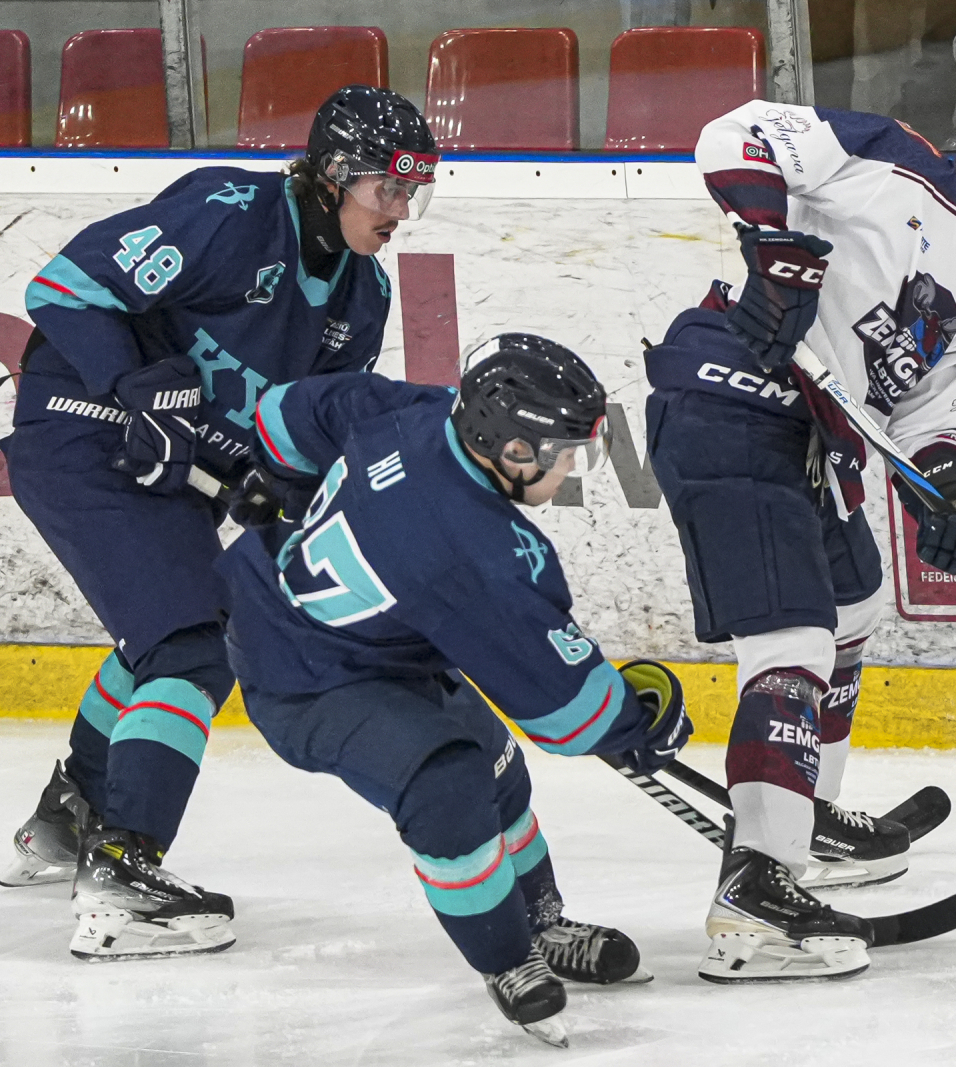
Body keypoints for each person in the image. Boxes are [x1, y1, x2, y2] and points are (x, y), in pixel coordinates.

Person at [644, 99, 956, 981]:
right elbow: (731, 136)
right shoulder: (887, 160)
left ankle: (803, 814)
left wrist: (952, 486)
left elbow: (939, 406)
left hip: (816, 436)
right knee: (793, 637)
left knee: (854, 602)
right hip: (731, 394)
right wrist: (771, 243)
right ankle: (755, 894)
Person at [0, 84, 439, 961]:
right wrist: (134, 381)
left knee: (181, 629)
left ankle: (70, 814)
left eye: (413, 191)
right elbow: (63, 288)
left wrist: (289, 498)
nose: (400, 210)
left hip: (177, 466)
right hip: (87, 434)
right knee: (194, 645)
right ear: (332, 175)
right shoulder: (230, 212)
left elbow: (301, 429)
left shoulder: (361, 297)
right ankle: (123, 868)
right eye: (387, 187)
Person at [216, 335, 691, 1046]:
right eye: (564, 452)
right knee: (448, 783)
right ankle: (508, 958)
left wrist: (283, 483)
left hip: (360, 639)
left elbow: (285, 413)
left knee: (499, 768)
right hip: (302, 675)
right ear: (515, 450)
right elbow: (571, 717)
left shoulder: (425, 414)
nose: (570, 468)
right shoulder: (482, 555)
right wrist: (639, 723)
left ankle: (543, 923)